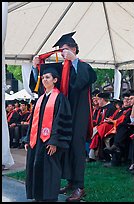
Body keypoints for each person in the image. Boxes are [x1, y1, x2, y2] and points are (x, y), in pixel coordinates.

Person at [52, 31, 97, 202]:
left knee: (77, 150)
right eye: (61, 50)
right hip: (66, 115)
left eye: (65, 49)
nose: (62, 53)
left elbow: (85, 80)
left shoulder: (82, 66)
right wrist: (35, 67)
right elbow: (47, 80)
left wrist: (75, 60)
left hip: (79, 114)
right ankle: (71, 182)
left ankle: (80, 187)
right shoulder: (63, 68)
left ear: (74, 49)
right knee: (67, 148)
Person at [24, 62, 72, 202]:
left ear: (55, 80)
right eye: (43, 77)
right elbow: (33, 121)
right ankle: (38, 196)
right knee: (36, 167)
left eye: (48, 77)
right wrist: (28, 139)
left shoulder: (60, 98)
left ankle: (49, 198)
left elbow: (61, 122)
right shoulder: (40, 99)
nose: (44, 80)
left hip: (49, 142)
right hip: (36, 142)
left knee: (50, 171)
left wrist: (54, 142)